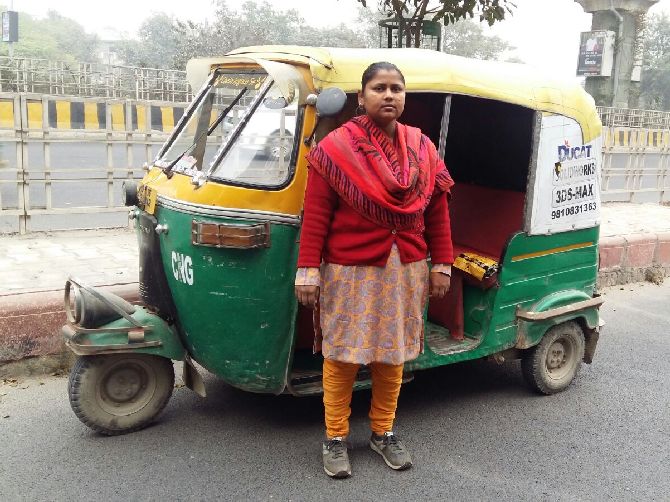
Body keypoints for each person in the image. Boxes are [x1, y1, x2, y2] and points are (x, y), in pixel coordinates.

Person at [294, 62, 454, 478]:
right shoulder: (334, 149)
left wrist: (444, 265)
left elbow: (438, 212)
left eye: (396, 88)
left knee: (392, 354)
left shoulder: (422, 148)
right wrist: (308, 269)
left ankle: (383, 432)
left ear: (404, 97)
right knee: (343, 354)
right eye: (379, 88)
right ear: (361, 97)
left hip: (407, 268)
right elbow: (315, 216)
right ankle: (334, 438)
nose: (389, 95)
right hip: (350, 270)